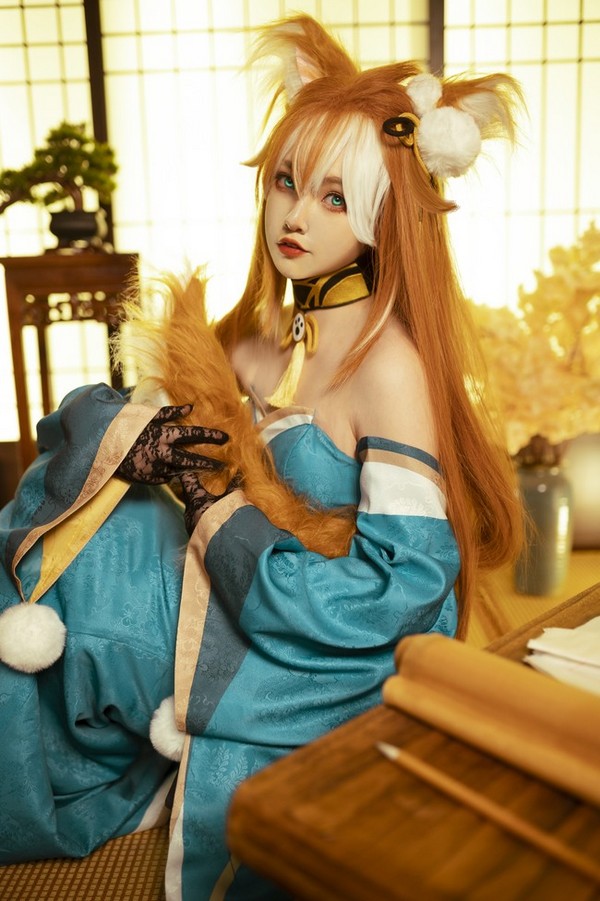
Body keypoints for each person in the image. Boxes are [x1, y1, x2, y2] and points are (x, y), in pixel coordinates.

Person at [0, 15, 524, 900]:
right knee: (60, 544)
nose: (296, 214)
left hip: (320, 638)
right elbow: (153, 419)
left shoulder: (388, 365)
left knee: (89, 604)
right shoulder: (278, 330)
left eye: (334, 197)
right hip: (235, 587)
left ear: (382, 213)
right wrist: (143, 448)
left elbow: (404, 585)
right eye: (287, 182)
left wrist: (218, 514)